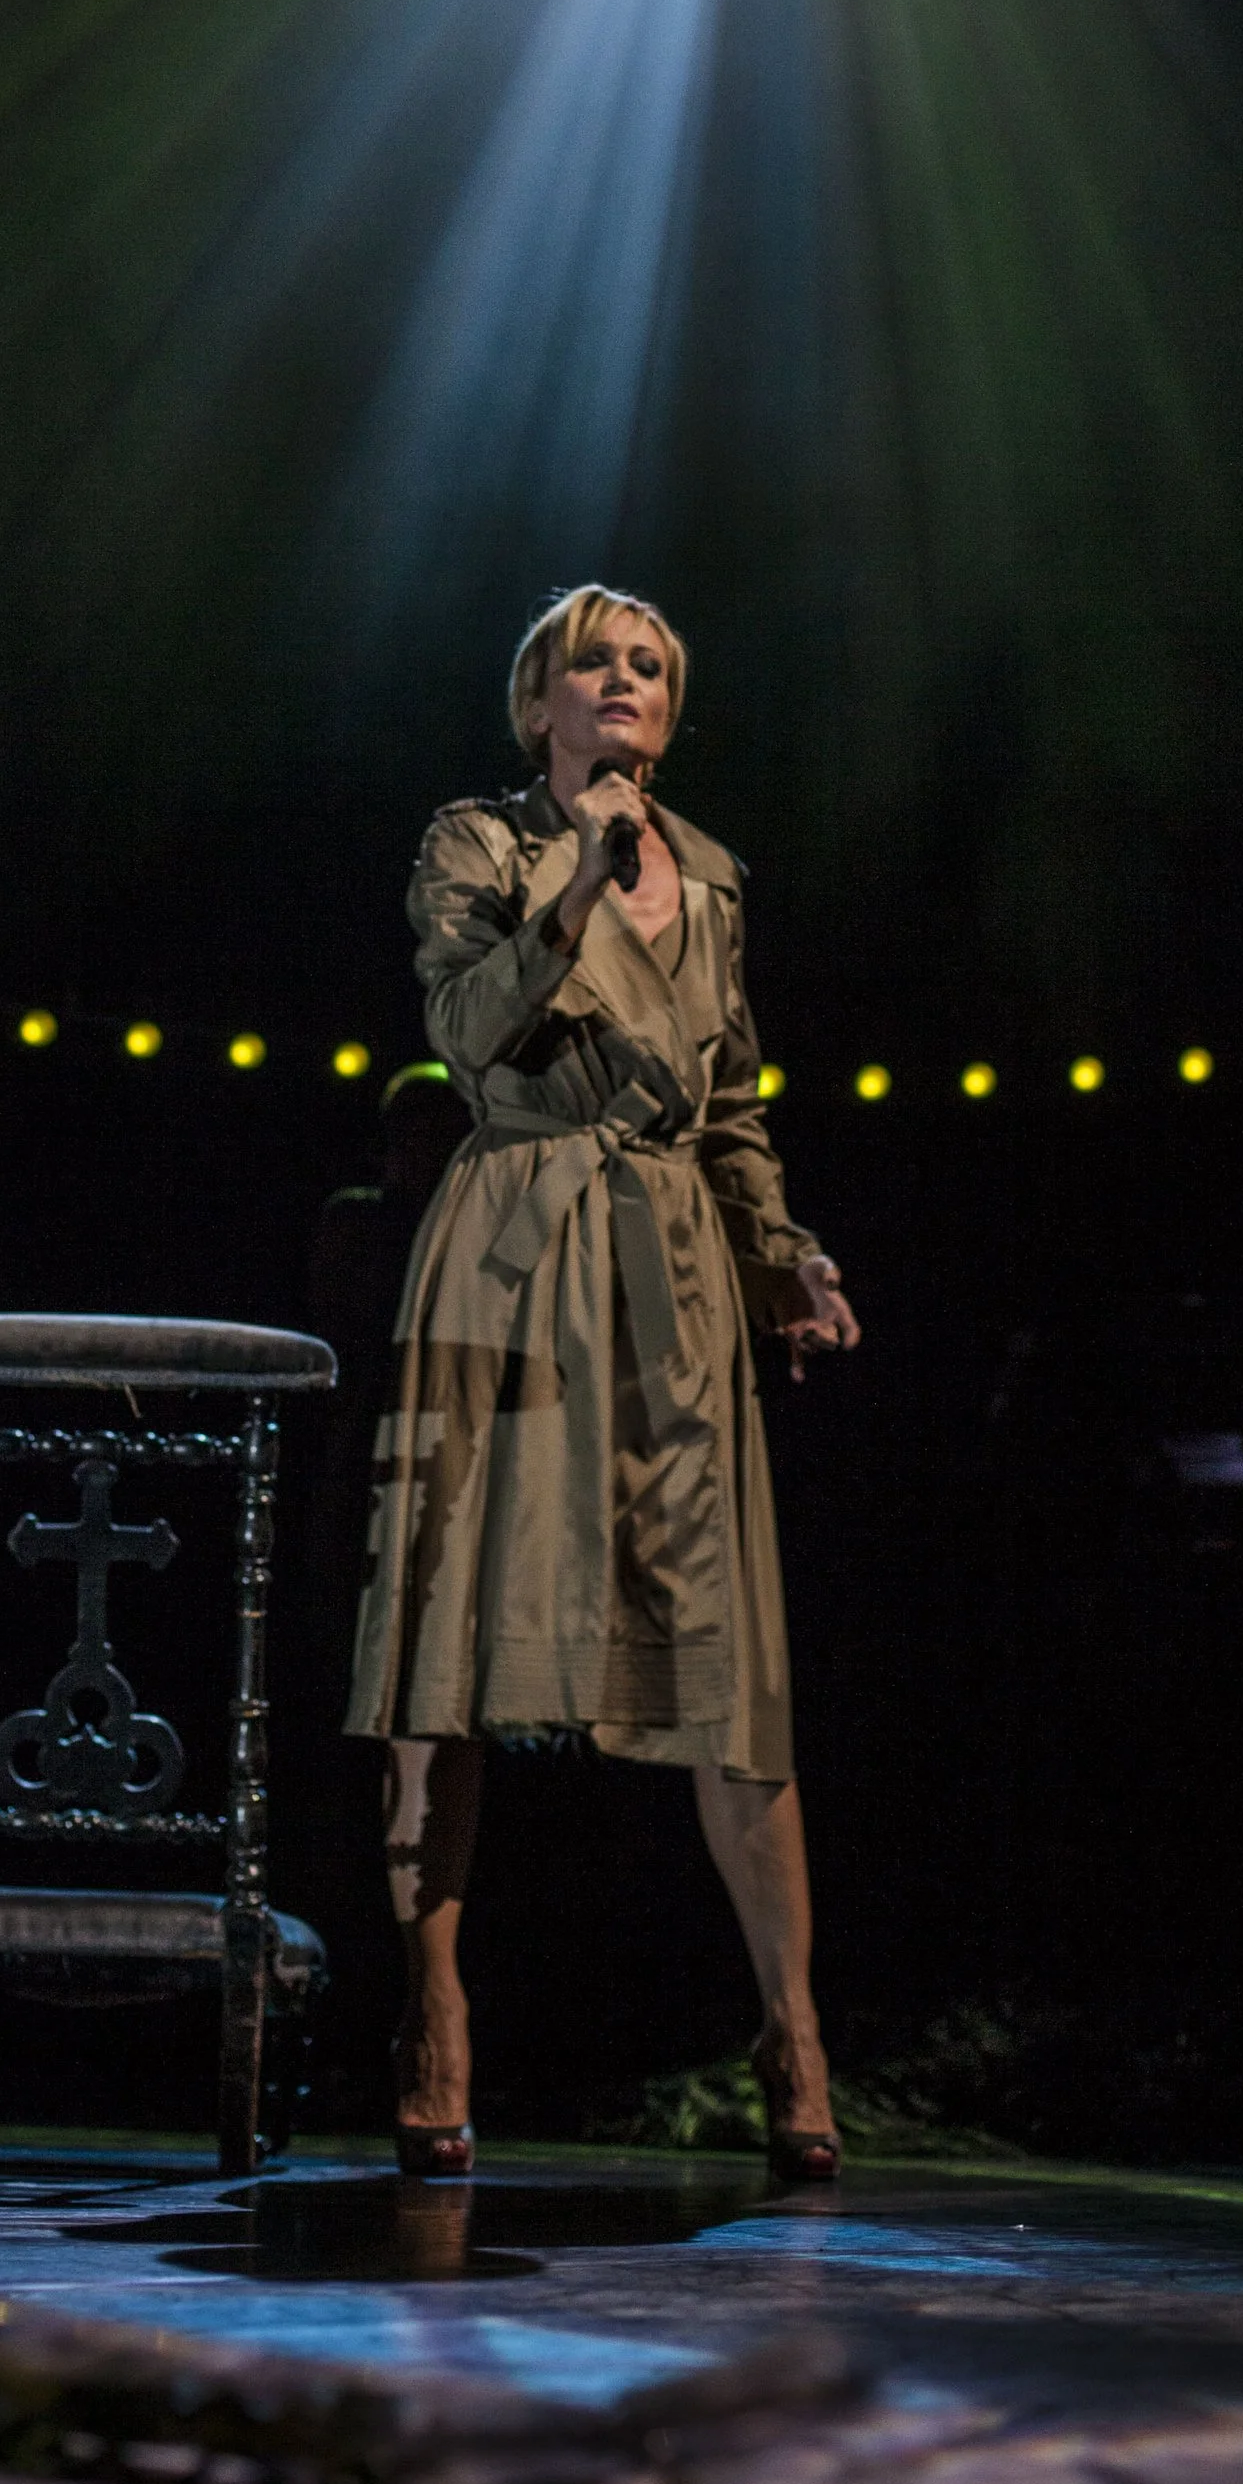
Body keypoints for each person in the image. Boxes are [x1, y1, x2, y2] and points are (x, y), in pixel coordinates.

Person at [343, 584, 860, 2178]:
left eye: (649, 666)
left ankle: (792, 2028)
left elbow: (732, 1104)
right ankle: (432, 2006)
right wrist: (573, 880)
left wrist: (783, 1251)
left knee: (729, 1666)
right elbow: (472, 1026)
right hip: (510, 1248)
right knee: (450, 1641)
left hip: (671, 1281)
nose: (623, 681)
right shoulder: (477, 846)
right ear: (537, 704)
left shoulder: (709, 882)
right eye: (595, 660)